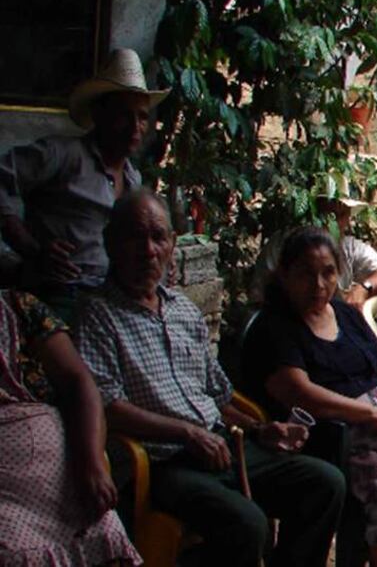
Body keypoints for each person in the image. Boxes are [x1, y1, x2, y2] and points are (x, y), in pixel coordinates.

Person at [77, 189, 345, 567]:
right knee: (248, 524)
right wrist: (186, 433)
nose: (148, 249)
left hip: (221, 445)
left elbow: (219, 396)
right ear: (111, 243)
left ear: (172, 244)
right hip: (163, 462)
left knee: (325, 483)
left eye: (158, 237)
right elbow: (108, 408)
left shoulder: (182, 310)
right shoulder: (99, 315)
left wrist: (260, 429)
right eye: (135, 237)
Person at [244, 227, 377, 567]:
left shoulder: (344, 313)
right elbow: (301, 392)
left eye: (328, 272)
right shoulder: (275, 326)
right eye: (306, 273)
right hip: (335, 437)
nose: (319, 284)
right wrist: (370, 416)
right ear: (285, 274)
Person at [0, 48, 168, 322]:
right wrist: (31, 248)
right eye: (124, 115)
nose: (135, 127)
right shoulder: (61, 155)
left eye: (142, 117)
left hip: (111, 299)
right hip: (59, 294)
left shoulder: (133, 180)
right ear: (100, 113)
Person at [0, 290, 140, 566]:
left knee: (102, 528)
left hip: (59, 471)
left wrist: (92, 464)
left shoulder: (18, 307)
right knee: (12, 552)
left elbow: (79, 381)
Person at [250, 178, 377, 312]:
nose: (335, 222)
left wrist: (365, 287)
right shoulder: (281, 245)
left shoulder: (348, 247)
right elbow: (259, 301)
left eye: (342, 214)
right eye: (329, 213)